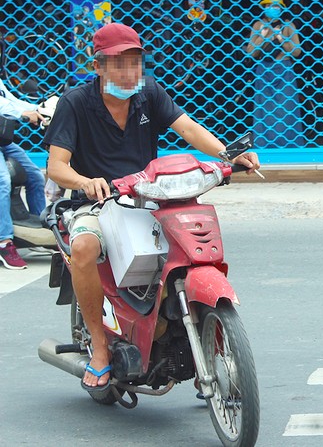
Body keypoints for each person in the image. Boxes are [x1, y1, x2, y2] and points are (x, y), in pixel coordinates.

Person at [43, 22, 260, 394]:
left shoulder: (149, 95)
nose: (129, 73)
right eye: (119, 64)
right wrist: (84, 182)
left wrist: (229, 155)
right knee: (83, 247)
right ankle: (98, 344)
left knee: (186, 245)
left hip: (147, 198)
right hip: (97, 203)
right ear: (98, 67)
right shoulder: (75, 103)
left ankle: (185, 332)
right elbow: (56, 166)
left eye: (135, 63)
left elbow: (189, 130)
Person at [244, 0, 304, 148]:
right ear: (264, 7)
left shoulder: (288, 25)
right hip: (264, 69)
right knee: (264, 110)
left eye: (276, 6)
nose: (273, 8)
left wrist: (281, 38)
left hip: (284, 70)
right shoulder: (258, 25)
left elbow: (297, 51)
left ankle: (288, 144)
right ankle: (264, 144)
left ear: (281, 8)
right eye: (269, 5)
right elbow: (250, 51)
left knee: (287, 109)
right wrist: (262, 37)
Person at [0, 79, 47, 270]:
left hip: (3, 140)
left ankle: (42, 229)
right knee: (2, 181)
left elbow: (10, 100)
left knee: (35, 176)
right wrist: (23, 114)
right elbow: (5, 106)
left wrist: (39, 108)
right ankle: (4, 242)